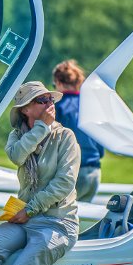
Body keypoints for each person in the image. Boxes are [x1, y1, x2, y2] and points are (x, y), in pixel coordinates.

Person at [0, 81, 80, 265]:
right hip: (27, 219)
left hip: (57, 223)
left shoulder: (66, 137)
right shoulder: (17, 137)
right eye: (42, 100)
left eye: (51, 99)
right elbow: (17, 156)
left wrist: (29, 209)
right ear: (26, 109)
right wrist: (42, 127)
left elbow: (64, 184)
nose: (50, 104)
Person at [52, 60, 104, 202]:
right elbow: (101, 146)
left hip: (73, 172)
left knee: (58, 219)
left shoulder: (58, 107)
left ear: (58, 82)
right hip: (94, 173)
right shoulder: (91, 105)